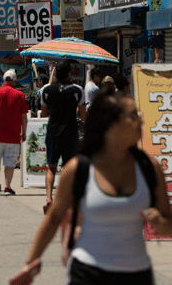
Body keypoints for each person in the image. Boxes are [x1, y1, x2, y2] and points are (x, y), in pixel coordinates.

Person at [19, 92, 171, 283]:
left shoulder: (149, 167)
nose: (140, 122)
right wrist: (30, 263)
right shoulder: (78, 169)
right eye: (132, 116)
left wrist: (160, 223)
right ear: (110, 124)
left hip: (137, 274)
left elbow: (168, 224)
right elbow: (54, 217)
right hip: (87, 273)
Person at [41, 60, 86, 211]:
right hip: (70, 133)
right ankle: (68, 199)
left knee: (51, 168)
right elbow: (83, 114)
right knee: (70, 169)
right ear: (69, 73)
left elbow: (44, 112)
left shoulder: (46, 90)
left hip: (53, 133)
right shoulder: (77, 90)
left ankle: (49, 198)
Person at [0, 69, 28, 196]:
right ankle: (7, 187)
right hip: (13, 135)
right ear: (14, 81)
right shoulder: (19, 95)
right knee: (10, 162)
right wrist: (24, 132)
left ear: (4, 79)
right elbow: (24, 116)